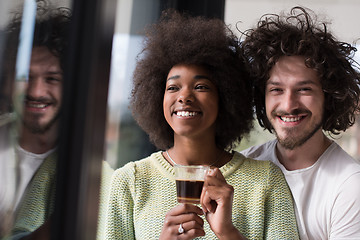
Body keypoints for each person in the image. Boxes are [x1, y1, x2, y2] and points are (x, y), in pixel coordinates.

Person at [105, 9, 299, 240]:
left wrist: (227, 232)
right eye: (173, 87)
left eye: (201, 87)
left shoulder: (265, 181)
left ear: (226, 97)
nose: (184, 97)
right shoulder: (130, 181)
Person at [240, 6, 360, 240]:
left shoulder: (350, 185)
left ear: (329, 96)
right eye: (276, 89)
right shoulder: (244, 166)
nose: (289, 104)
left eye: (304, 89)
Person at [0, 2, 113, 240]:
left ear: (72, 84)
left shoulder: (93, 174)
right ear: (6, 81)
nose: (36, 91)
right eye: (24, 76)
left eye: (52, 78)